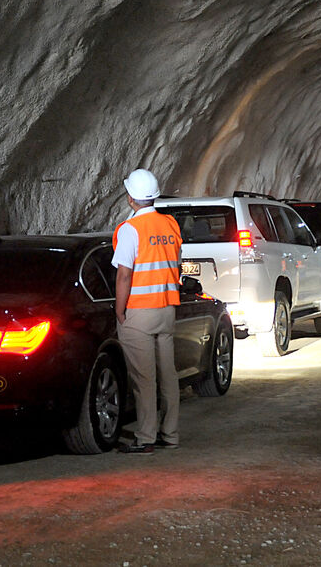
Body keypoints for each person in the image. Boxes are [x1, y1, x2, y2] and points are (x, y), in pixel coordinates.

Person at [112, 169, 183, 454]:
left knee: (144, 379)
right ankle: (171, 434)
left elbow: (124, 275)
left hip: (139, 312)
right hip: (166, 309)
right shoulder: (170, 224)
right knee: (168, 375)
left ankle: (145, 437)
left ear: (131, 199)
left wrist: (120, 309)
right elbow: (175, 263)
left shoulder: (130, 229)